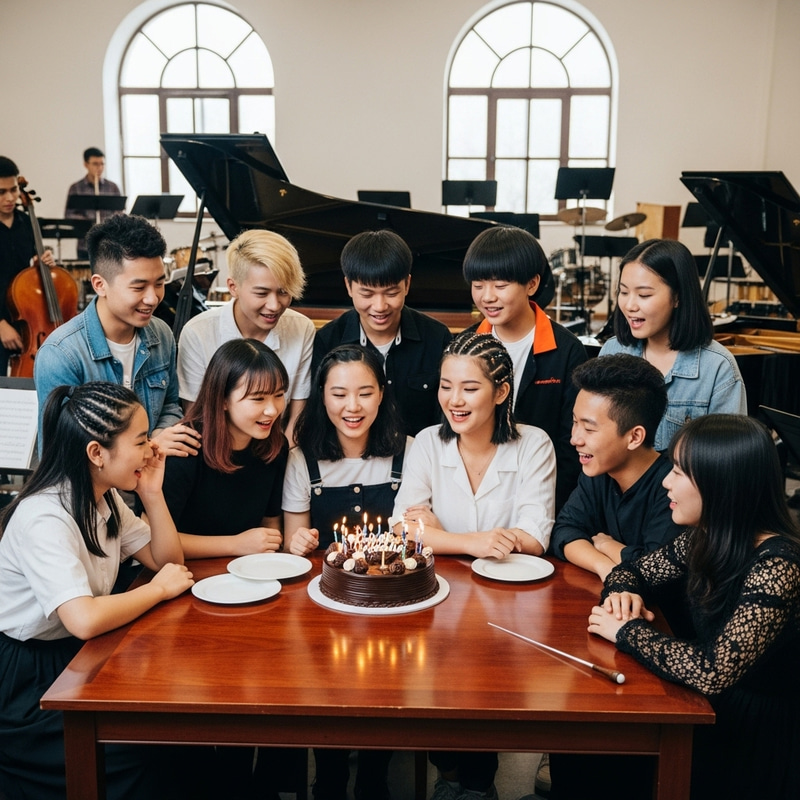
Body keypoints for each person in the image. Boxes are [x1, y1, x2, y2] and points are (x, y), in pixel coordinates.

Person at [588, 414, 800, 799]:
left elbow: (712, 671)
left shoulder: (778, 565)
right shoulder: (705, 536)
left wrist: (625, 631)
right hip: (710, 708)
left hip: (761, 736)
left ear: (722, 483)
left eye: (680, 473)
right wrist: (622, 596)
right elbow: (632, 570)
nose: (666, 482)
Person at [0, 381, 194, 800]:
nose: (151, 450)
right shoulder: (44, 516)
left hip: (81, 655)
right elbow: (84, 618)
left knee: (173, 728)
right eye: (141, 441)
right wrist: (158, 591)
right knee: (141, 751)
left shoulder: (103, 496)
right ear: (96, 453)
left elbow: (167, 561)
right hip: (29, 679)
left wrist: (152, 494)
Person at [393, 331, 556, 800]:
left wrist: (440, 533)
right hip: (435, 598)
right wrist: (478, 541)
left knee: (485, 692)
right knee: (434, 690)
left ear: (501, 392)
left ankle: (478, 786)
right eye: (446, 386)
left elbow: (534, 538)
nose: (454, 400)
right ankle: (448, 778)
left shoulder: (534, 444)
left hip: (507, 602)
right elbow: (403, 529)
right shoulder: (426, 442)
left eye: (469, 387)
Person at [282, 343, 410, 800]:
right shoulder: (303, 459)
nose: (351, 407)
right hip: (325, 606)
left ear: (382, 395)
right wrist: (298, 543)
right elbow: (293, 542)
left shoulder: (407, 453)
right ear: (321, 396)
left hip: (392, 604)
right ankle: (330, 776)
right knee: (326, 687)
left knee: (387, 686)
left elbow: (415, 532)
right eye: (338, 394)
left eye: (364, 393)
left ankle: (375, 776)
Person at [34, 213, 200, 457]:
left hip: (150, 476)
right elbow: (59, 450)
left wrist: (157, 438)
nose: (152, 298)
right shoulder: (61, 354)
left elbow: (170, 405)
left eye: (159, 283)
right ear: (100, 285)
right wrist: (148, 448)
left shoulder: (162, 334)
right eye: (138, 287)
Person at [463, 225, 587, 511]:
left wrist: (549, 504)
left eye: (500, 285)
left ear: (531, 284)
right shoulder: (464, 346)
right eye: (478, 285)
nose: (487, 297)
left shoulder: (567, 351)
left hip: (544, 494)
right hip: (476, 492)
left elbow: (572, 444)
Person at [599, 238, 746, 451]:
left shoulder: (717, 368)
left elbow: (726, 459)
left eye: (644, 295)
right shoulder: (612, 352)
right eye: (623, 292)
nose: (630, 305)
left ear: (677, 297)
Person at [551, 354, 681, 581]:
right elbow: (565, 531)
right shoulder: (597, 470)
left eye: (589, 429)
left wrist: (608, 545)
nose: (575, 439)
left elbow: (656, 570)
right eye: (574, 422)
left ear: (634, 437)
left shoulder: (674, 486)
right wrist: (605, 566)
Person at [177, 228, 314, 443]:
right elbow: (197, 419)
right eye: (261, 293)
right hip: (215, 451)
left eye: (284, 292)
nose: (274, 305)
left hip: (278, 452)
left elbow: (296, 417)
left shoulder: (302, 328)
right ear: (233, 287)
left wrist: (283, 466)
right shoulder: (198, 332)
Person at [312, 229, 452, 437]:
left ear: (407, 285)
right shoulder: (329, 340)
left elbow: (444, 418)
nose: (379, 306)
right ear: (348, 287)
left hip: (418, 459)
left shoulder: (437, 337)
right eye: (367, 294)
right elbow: (319, 416)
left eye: (391, 293)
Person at [162, 338, 288, 559]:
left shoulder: (275, 445)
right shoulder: (184, 446)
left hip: (249, 568)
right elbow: (150, 538)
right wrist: (235, 545)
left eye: (279, 395)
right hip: (183, 572)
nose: (272, 410)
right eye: (258, 398)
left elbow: (270, 525)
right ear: (223, 400)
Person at [0, 156, 56, 376]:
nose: (10, 197)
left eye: (13, 189)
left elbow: (33, 270)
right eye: (1, 192)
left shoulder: (27, 223)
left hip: (26, 322)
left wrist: (45, 263)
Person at [64, 147, 122, 259]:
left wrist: (106, 223)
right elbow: (69, 215)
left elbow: (120, 213)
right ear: (86, 164)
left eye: (102, 164)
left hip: (110, 244)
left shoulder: (113, 187)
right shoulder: (76, 188)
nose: (99, 168)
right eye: (95, 164)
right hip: (85, 245)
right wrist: (89, 222)